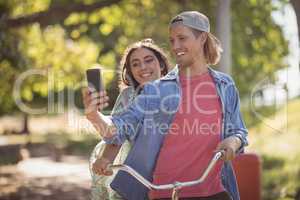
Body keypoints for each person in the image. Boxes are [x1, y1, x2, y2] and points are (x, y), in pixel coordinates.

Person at [83, 11, 248, 200]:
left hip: (215, 191)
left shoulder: (225, 85)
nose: (175, 46)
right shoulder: (155, 90)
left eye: (182, 38)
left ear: (202, 38)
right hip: (165, 192)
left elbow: (238, 130)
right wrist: (94, 116)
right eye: (172, 40)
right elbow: (119, 129)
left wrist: (233, 142)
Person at [88, 38, 170, 200]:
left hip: (176, 171)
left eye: (148, 60)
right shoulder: (127, 96)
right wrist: (105, 159)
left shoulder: (178, 90)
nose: (143, 67)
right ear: (130, 71)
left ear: (161, 65)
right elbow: (117, 135)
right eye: (135, 64)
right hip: (138, 172)